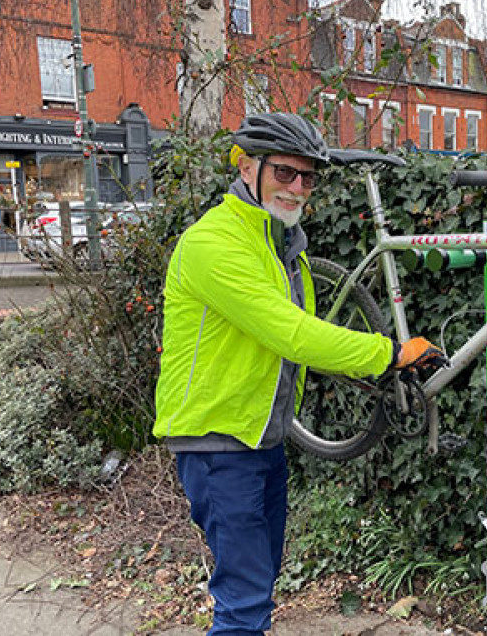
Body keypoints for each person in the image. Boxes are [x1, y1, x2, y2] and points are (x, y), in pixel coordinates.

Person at [153, 113, 444, 636]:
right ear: (247, 168)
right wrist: (390, 353)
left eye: (308, 177)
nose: (298, 187)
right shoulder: (214, 244)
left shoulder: (279, 242)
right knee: (242, 601)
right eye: (285, 173)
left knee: (256, 587)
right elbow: (292, 333)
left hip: (260, 436)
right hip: (216, 439)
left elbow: (302, 335)